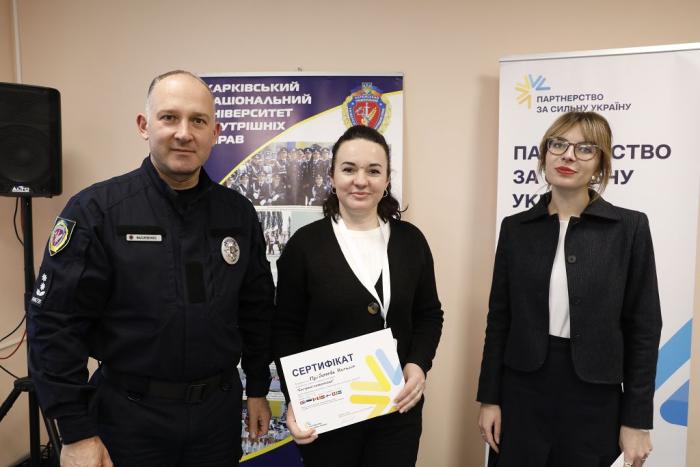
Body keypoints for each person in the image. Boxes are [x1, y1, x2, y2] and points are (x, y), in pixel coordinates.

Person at [27, 70, 275, 467]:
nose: (184, 133)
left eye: (198, 121)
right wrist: (76, 431)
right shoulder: (97, 211)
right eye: (169, 117)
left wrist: (258, 387)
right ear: (144, 126)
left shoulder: (237, 214)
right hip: (128, 420)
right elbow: (55, 323)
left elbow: (256, 309)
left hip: (217, 419)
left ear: (215, 132)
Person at [476, 112, 662, 467]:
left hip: (593, 401)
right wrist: (490, 398)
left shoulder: (629, 228)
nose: (568, 156)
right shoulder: (516, 229)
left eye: (585, 148)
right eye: (558, 144)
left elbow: (644, 328)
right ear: (544, 153)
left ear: (600, 164)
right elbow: (499, 320)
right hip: (522, 393)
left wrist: (636, 420)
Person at [273, 125, 444, 467]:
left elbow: (429, 314)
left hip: (396, 409)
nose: (360, 181)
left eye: (373, 171)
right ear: (332, 176)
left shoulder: (411, 241)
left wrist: (418, 364)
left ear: (387, 179)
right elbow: (286, 329)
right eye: (349, 169)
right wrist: (297, 399)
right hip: (329, 414)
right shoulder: (304, 245)